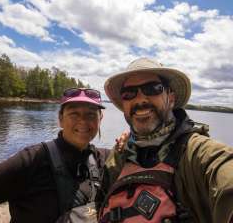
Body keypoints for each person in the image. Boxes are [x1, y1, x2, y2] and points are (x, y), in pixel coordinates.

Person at [0, 88, 110, 223]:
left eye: (90, 114)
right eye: (74, 113)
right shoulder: (32, 160)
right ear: (60, 119)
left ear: (100, 119)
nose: (83, 121)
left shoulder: (102, 160)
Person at [99, 58, 233, 223]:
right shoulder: (118, 156)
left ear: (171, 98)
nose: (140, 99)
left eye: (153, 89)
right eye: (129, 93)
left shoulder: (199, 153)